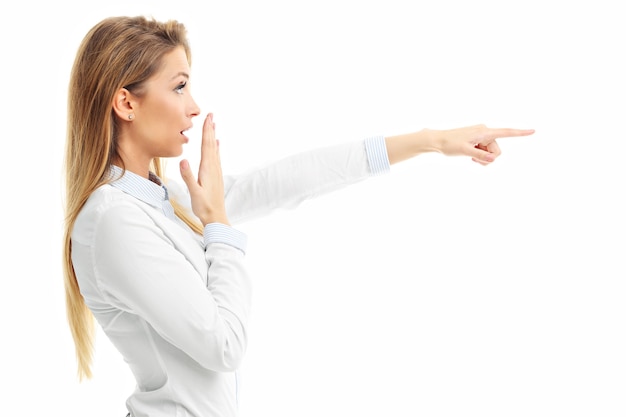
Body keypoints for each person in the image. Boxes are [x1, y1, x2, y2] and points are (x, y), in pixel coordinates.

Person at [62, 15, 534, 417]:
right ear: (126, 102)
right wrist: (220, 231)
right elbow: (223, 345)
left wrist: (429, 141)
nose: (194, 106)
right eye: (180, 86)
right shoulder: (113, 220)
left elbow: (286, 180)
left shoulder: (158, 198)